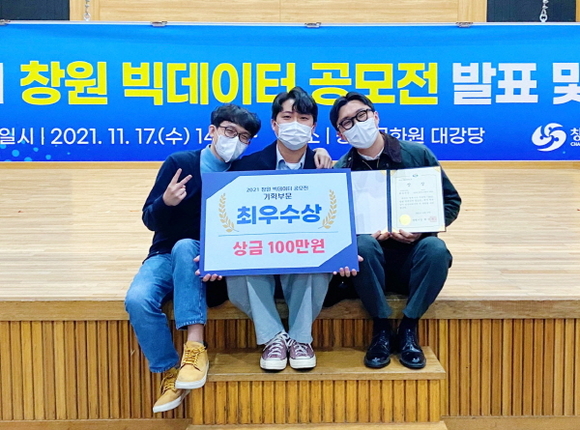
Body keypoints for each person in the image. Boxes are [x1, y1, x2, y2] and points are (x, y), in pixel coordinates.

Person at [125, 104, 261, 413]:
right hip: (164, 254)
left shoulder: (245, 171)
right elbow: (150, 218)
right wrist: (166, 202)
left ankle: (195, 348)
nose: (236, 141)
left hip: (214, 260)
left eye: (244, 137)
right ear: (212, 131)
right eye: (230, 131)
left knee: (187, 246)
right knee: (137, 300)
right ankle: (170, 372)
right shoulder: (180, 164)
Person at [329, 92, 461, 370]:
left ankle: (409, 327)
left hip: (412, 261)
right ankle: (381, 328)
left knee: (436, 249)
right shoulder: (342, 170)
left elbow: (451, 201)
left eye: (361, 115)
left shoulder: (417, 154)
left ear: (375, 116)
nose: (357, 124)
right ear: (340, 134)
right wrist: (359, 235)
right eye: (347, 123)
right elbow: (335, 224)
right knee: (362, 246)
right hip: (369, 267)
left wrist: (421, 229)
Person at [226, 86, 333, 371]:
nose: (295, 124)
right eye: (287, 117)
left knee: (319, 258)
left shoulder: (325, 169)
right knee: (237, 261)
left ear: (313, 127)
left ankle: (300, 339)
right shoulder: (245, 167)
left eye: (303, 118)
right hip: (259, 251)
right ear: (274, 124)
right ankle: (273, 337)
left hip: (302, 253)